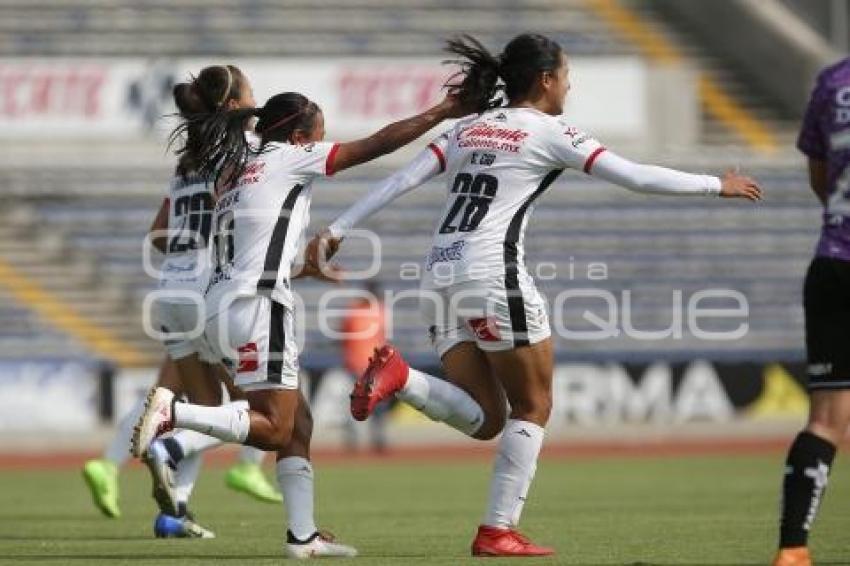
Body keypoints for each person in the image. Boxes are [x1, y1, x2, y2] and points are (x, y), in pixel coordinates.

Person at [306, 33, 762, 558]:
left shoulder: (466, 128)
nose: (569, 84)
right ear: (545, 79)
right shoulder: (550, 131)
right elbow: (634, 176)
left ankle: (402, 378)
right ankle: (497, 529)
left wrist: (336, 229)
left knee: (487, 418)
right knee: (535, 402)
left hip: (438, 276)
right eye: (566, 75)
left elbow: (400, 182)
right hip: (492, 275)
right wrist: (714, 184)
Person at [132, 86, 468, 557]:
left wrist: (301, 267)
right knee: (273, 426)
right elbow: (378, 144)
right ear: (296, 136)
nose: (322, 143)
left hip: (223, 306)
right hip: (258, 306)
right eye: (318, 137)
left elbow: (255, 246)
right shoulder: (289, 158)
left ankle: (302, 537)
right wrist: (445, 110)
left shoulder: (234, 170)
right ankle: (173, 416)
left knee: (299, 422)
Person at [83, 65, 280, 534]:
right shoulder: (242, 152)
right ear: (234, 103)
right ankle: (183, 451)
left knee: (203, 402)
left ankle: (175, 514)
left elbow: (156, 235)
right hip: (209, 289)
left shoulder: (187, 159)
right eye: (251, 92)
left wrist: (187, 242)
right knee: (254, 409)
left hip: (169, 287)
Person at [771, 57, 850, 566]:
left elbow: (819, 177)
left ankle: (793, 548)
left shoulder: (833, 81)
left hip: (834, 262)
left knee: (824, 420)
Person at [340, 280, 390, 452]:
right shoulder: (360, 312)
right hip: (357, 364)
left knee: (375, 404)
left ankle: (377, 438)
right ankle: (356, 439)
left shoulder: (375, 311)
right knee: (359, 403)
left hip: (372, 365)